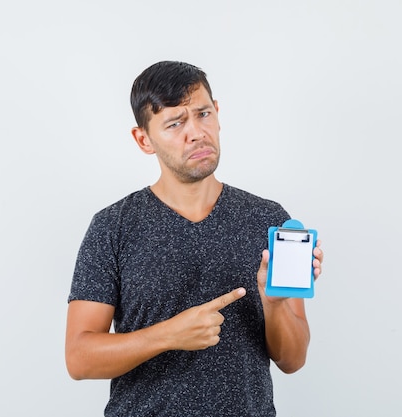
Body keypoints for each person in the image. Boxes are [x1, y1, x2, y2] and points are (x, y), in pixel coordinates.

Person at [65, 60, 324, 417]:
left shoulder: (268, 219)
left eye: (203, 114)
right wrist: (169, 335)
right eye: (175, 123)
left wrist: (274, 303)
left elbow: (293, 360)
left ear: (217, 113)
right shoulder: (113, 227)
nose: (196, 133)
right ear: (144, 139)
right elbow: (79, 358)